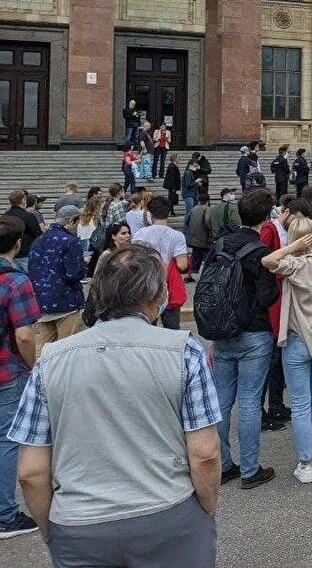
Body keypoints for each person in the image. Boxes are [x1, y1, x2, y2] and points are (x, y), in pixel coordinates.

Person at [9, 245, 220, 566]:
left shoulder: (50, 361)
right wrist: (204, 512)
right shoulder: (184, 351)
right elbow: (205, 454)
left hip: (79, 522)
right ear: (155, 296)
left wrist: (51, 530)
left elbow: (30, 472)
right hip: (167, 513)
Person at [263, 218, 312, 484]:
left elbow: (267, 261)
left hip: (298, 338)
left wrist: (291, 247)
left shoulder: (294, 265)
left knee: (300, 405)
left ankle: (306, 463)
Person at [209, 188, 279, 490]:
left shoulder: (220, 244)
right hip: (254, 331)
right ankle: (250, 469)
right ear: (265, 218)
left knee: (223, 399)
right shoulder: (260, 253)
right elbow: (267, 295)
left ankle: (223, 465)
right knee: (250, 400)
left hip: (223, 329)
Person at [0, 215, 39, 538]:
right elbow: (24, 335)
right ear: (17, 243)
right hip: (7, 369)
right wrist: (33, 364)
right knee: (6, 439)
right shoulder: (15, 281)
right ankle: (5, 513)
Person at [26, 204, 86, 357]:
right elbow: (74, 273)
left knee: (43, 348)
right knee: (67, 350)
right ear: (72, 220)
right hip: (66, 302)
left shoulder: (38, 240)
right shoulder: (71, 241)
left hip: (41, 301)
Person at [132, 196, 189, 330]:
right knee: (172, 327)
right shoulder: (177, 236)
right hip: (168, 287)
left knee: (147, 326)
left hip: (146, 285)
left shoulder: (140, 234)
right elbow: (182, 265)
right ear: (168, 213)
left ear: (151, 214)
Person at [4, 191, 42, 272]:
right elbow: (38, 235)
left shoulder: (5, 217)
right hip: (26, 254)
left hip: (9, 255)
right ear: (23, 200)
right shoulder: (29, 216)